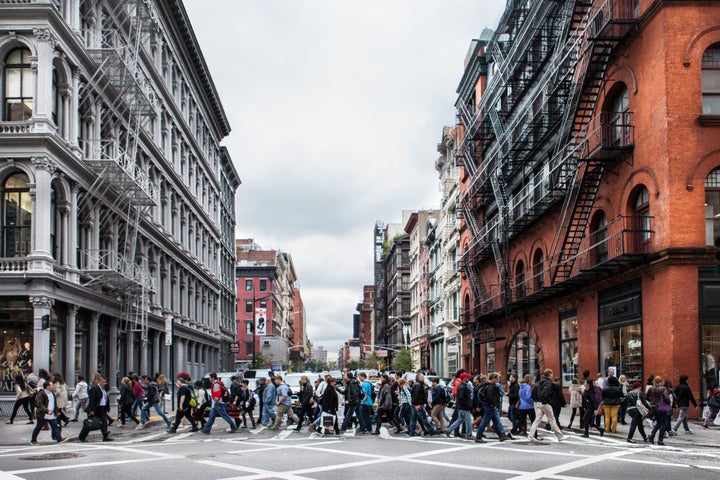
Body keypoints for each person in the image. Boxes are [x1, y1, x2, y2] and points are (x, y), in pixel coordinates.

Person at [528, 369, 569, 442]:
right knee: (552, 419)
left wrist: (537, 400)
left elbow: (533, 392)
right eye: (552, 373)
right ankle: (560, 436)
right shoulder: (548, 383)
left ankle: (530, 436)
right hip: (545, 403)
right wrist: (545, 400)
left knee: (537, 420)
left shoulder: (539, 382)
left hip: (539, 403)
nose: (552, 375)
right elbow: (545, 393)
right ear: (550, 374)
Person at [473, 372, 511, 443]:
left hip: (488, 406)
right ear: (493, 378)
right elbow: (490, 397)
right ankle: (478, 437)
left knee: (496, 421)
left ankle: (501, 435)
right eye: (497, 378)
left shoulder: (485, 385)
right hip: (490, 407)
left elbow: (480, 396)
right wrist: (493, 405)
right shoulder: (492, 387)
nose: (498, 380)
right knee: (485, 422)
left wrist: (480, 405)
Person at [78, 374, 113, 442]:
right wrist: (91, 410)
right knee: (90, 423)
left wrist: (107, 407)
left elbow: (105, 398)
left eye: (105, 382)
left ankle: (105, 436)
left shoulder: (103, 389)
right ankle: (82, 436)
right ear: (99, 382)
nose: (104, 383)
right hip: (96, 408)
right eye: (103, 382)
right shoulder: (95, 388)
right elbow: (92, 400)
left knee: (104, 422)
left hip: (102, 408)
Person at [30, 381, 67, 445]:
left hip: (51, 413)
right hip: (43, 414)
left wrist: (57, 411)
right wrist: (47, 411)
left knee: (55, 426)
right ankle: (33, 440)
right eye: (51, 385)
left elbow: (54, 403)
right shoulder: (41, 393)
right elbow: (40, 404)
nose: (53, 386)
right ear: (47, 386)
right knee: (38, 427)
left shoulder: (52, 393)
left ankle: (59, 439)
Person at [444, 372, 473, 439]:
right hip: (464, 407)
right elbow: (463, 398)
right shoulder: (463, 387)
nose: (468, 378)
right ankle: (469, 435)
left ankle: (448, 430)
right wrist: (468, 405)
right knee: (467, 421)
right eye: (467, 377)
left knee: (460, 420)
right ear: (464, 378)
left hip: (460, 406)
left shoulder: (461, 386)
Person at [647, 375, 671, 445]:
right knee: (663, 423)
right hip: (661, 407)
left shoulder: (651, 388)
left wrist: (652, 401)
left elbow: (647, 397)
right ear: (661, 381)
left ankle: (652, 434)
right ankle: (660, 439)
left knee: (658, 422)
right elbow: (666, 398)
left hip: (654, 407)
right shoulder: (663, 389)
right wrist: (669, 402)